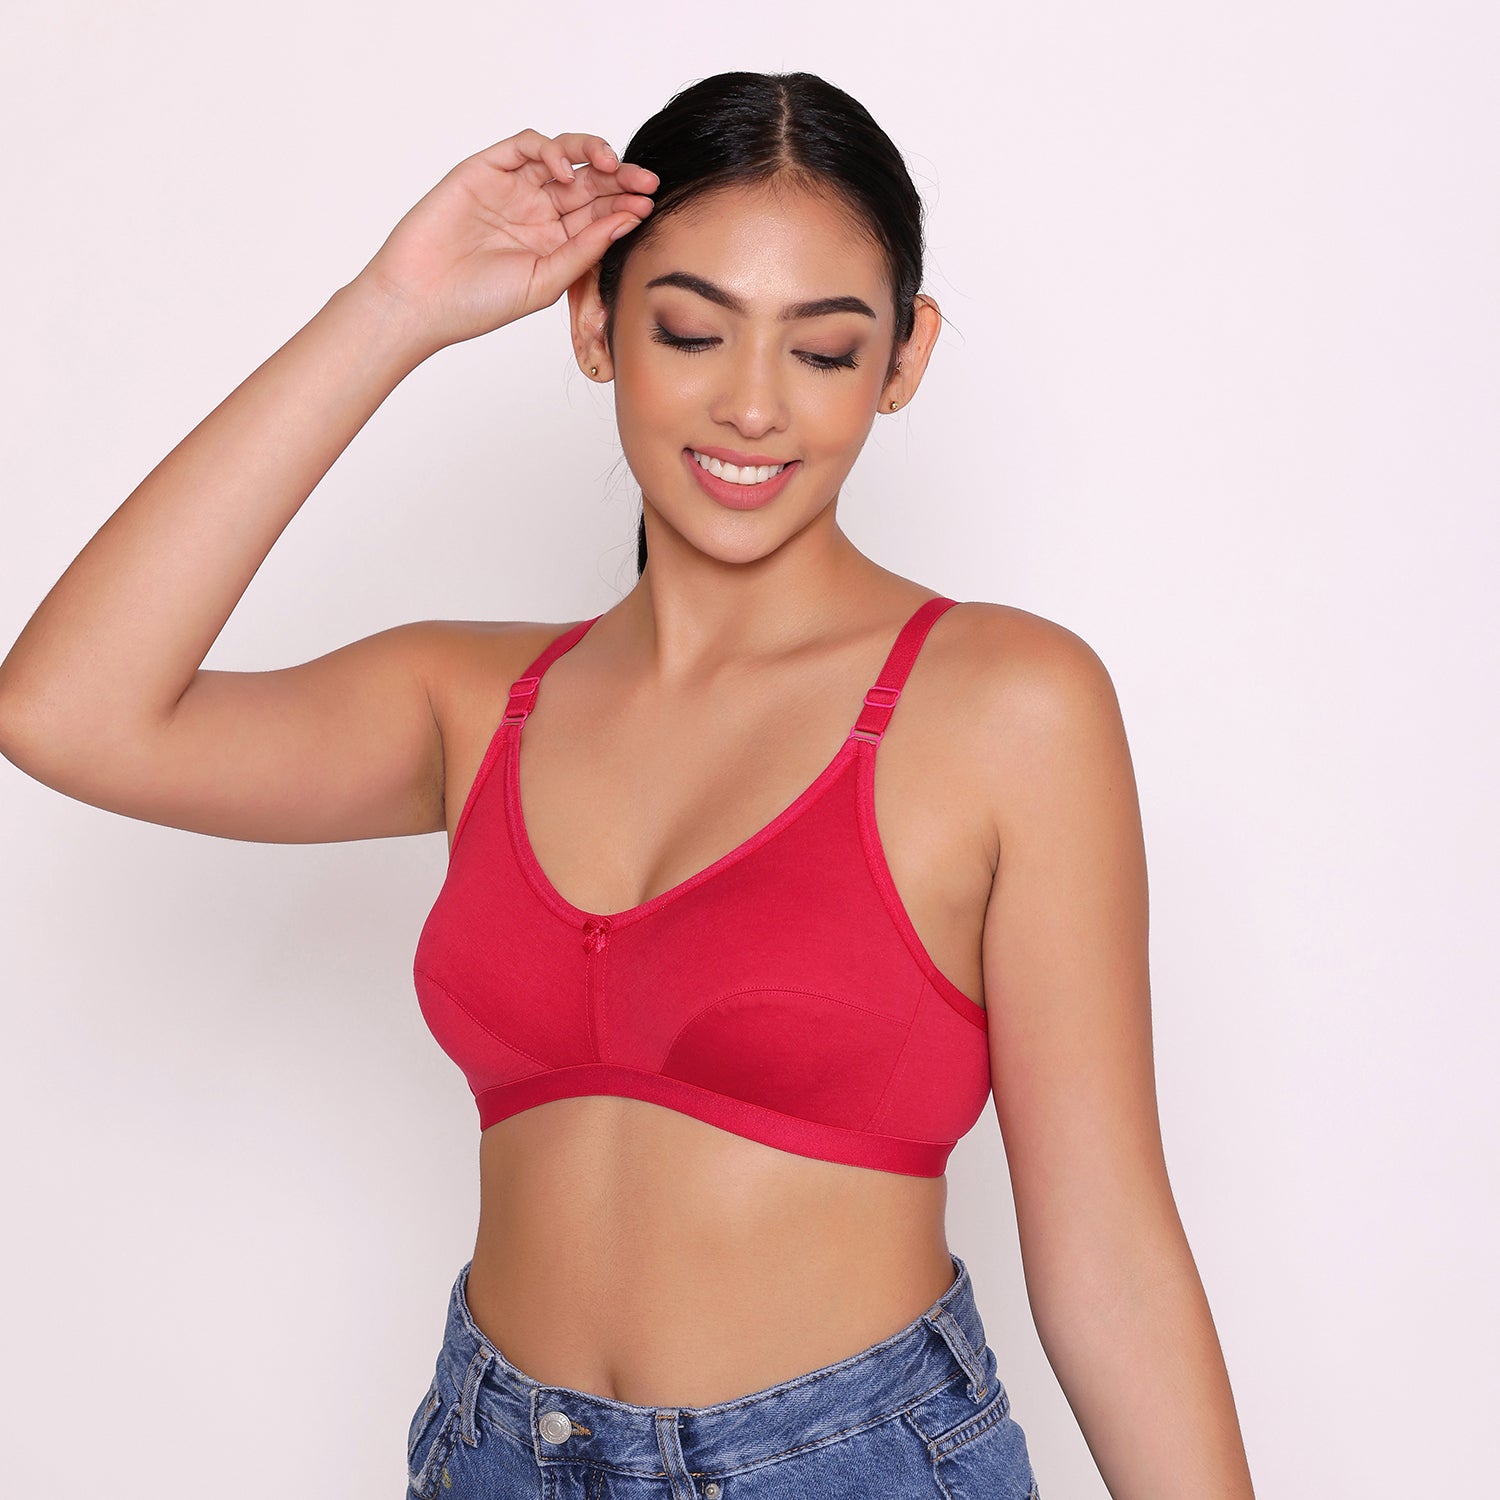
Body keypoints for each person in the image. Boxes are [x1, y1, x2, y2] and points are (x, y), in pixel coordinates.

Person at [0, 70, 1255, 1500]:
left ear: (903, 360)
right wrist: (392, 310)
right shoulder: (473, 702)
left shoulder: (1006, 706)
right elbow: (66, 713)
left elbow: (1110, 1259)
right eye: (690, 331)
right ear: (596, 325)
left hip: (847, 1464)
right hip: (497, 1456)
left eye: (824, 351)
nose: (752, 405)